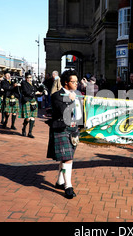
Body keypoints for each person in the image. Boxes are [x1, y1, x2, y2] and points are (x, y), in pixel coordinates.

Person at [48, 69, 82, 199]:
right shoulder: (57, 95)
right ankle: (68, 186)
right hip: (61, 129)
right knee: (68, 158)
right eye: (74, 82)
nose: (76, 84)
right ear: (66, 83)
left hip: (73, 130)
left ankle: (60, 181)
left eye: (77, 81)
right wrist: (70, 100)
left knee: (66, 157)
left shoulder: (76, 94)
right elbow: (63, 112)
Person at [21, 73, 42, 138]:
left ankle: (30, 132)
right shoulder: (23, 83)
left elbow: (38, 90)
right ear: (25, 77)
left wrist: (41, 92)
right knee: (27, 118)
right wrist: (35, 93)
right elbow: (26, 92)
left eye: (30, 77)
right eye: (27, 77)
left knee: (32, 117)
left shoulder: (34, 83)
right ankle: (24, 128)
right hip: (27, 100)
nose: (29, 79)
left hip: (33, 101)